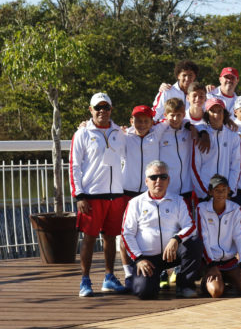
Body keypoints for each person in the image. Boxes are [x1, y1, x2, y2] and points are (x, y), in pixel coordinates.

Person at [70, 92, 128, 297]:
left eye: (106, 107)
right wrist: (79, 195)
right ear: (90, 110)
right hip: (92, 195)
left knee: (111, 237)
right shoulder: (82, 134)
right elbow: (74, 166)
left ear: (111, 109)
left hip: (115, 194)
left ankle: (109, 277)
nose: (102, 111)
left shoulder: (120, 132)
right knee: (89, 238)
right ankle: (85, 280)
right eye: (98, 107)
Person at [121, 160, 202, 299]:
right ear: (146, 181)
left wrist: (176, 239)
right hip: (147, 258)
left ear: (168, 180)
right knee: (144, 292)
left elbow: (190, 226)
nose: (158, 181)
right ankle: (154, 280)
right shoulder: (135, 203)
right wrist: (138, 258)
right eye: (153, 177)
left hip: (172, 254)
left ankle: (185, 285)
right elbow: (127, 234)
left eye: (163, 177)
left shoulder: (178, 201)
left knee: (194, 242)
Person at [119, 105, 161, 288]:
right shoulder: (124, 136)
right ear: (131, 121)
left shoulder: (158, 134)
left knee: (153, 232)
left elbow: (174, 119)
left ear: (152, 122)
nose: (141, 124)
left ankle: (158, 271)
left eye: (145, 121)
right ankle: (128, 272)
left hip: (148, 193)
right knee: (125, 234)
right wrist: (84, 125)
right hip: (127, 191)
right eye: (137, 120)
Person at [196, 175, 241, 297]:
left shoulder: (236, 209)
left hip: (230, 262)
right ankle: (207, 282)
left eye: (223, 190)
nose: (220, 193)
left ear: (228, 191)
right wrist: (211, 264)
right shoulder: (202, 208)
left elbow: (239, 237)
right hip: (210, 262)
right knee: (216, 292)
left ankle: (227, 281)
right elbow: (203, 237)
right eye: (217, 190)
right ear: (210, 192)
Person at [156, 98, 196, 207]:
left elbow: (199, 126)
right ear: (165, 115)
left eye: (179, 115)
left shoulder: (188, 131)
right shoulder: (160, 132)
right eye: (172, 115)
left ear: (184, 115)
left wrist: (191, 126)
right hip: (168, 189)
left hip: (187, 188)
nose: (175, 119)